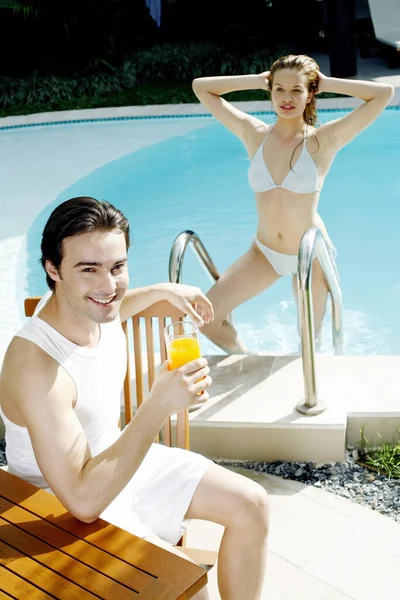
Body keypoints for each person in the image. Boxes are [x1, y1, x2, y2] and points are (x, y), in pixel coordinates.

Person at [0, 197, 270, 600]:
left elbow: (114, 303)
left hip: (120, 459)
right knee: (188, 590)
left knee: (253, 505)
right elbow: (83, 501)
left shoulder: (88, 306)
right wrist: (158, 405)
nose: (108, 287)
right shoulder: (37, 368)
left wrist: (163, 290)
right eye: (88, 269)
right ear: (52, 270)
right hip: (60, 503)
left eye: (117, 266)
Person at [192, 54, 394, 353]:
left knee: (308, 345)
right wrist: (258, 80)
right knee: (206, 319)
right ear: (270, 91)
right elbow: (201, 88)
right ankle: (249, 363)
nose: (287, 98)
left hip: (310, 255)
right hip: (264, 252)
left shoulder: (323, 140)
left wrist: (325, 83)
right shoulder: (254, 134)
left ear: (311, 93)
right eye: (279, 89)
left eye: (297, 90)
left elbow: (383, 94)